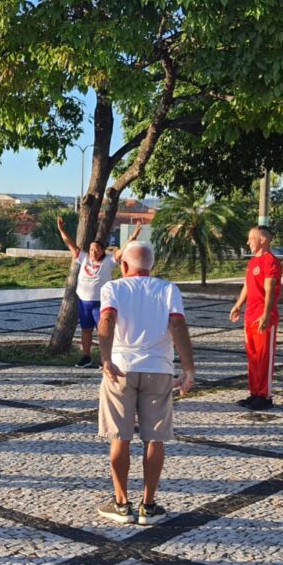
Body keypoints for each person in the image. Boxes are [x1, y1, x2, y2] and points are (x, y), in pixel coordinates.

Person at [97, 241, 196, 526]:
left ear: (124, 266)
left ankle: (121, 503)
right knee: (155, 438)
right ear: (152, 266)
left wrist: (105, 358)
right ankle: (148, 506)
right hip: (159, 369)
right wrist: (188, 370)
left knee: (120, 437)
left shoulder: (113, 288)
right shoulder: (168, 289)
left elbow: (107, 319)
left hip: (121, 369)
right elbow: (177, 325)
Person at [56, 218, 142, 368]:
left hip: (100, 303)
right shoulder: (83, 258)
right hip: (83, 302)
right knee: (86, 330)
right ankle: (86, 357)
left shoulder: (109, 260)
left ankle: (107, 359)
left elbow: (123, 249)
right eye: (90, 249)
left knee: (104, 333)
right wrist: (62, 230)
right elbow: (70, 244)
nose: (93, 252)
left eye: (96, 249)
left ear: (103, 250)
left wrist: (133, 236)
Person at [229, 226, 283, 411]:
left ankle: (265, 396)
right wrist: (238, 306)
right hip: (249, 316)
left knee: (263, 358)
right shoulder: (252, 262)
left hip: (263, 318)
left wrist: (266, 315)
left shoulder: (271, 262)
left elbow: (270, 290)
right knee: (253, 357)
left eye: (251, 238)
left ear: (262, 240)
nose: (247, 241)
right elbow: (247, 286)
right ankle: (254, 393)